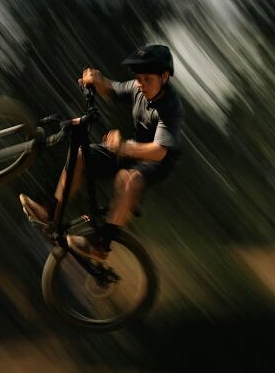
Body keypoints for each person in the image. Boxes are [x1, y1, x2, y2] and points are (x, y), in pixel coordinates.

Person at [19, 44, 183, 261]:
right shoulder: (138, 87)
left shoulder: (171, 107)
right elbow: (112, 89)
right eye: (138, 78)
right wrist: (96, 80)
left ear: (165, 77)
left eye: (147, 79)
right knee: (81, 155)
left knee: (128, 179)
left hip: (157, 161)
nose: (141, 84)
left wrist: (123, 147)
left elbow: (159, 151)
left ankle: (101, 245)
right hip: (131, 149)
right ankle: (52, 213)